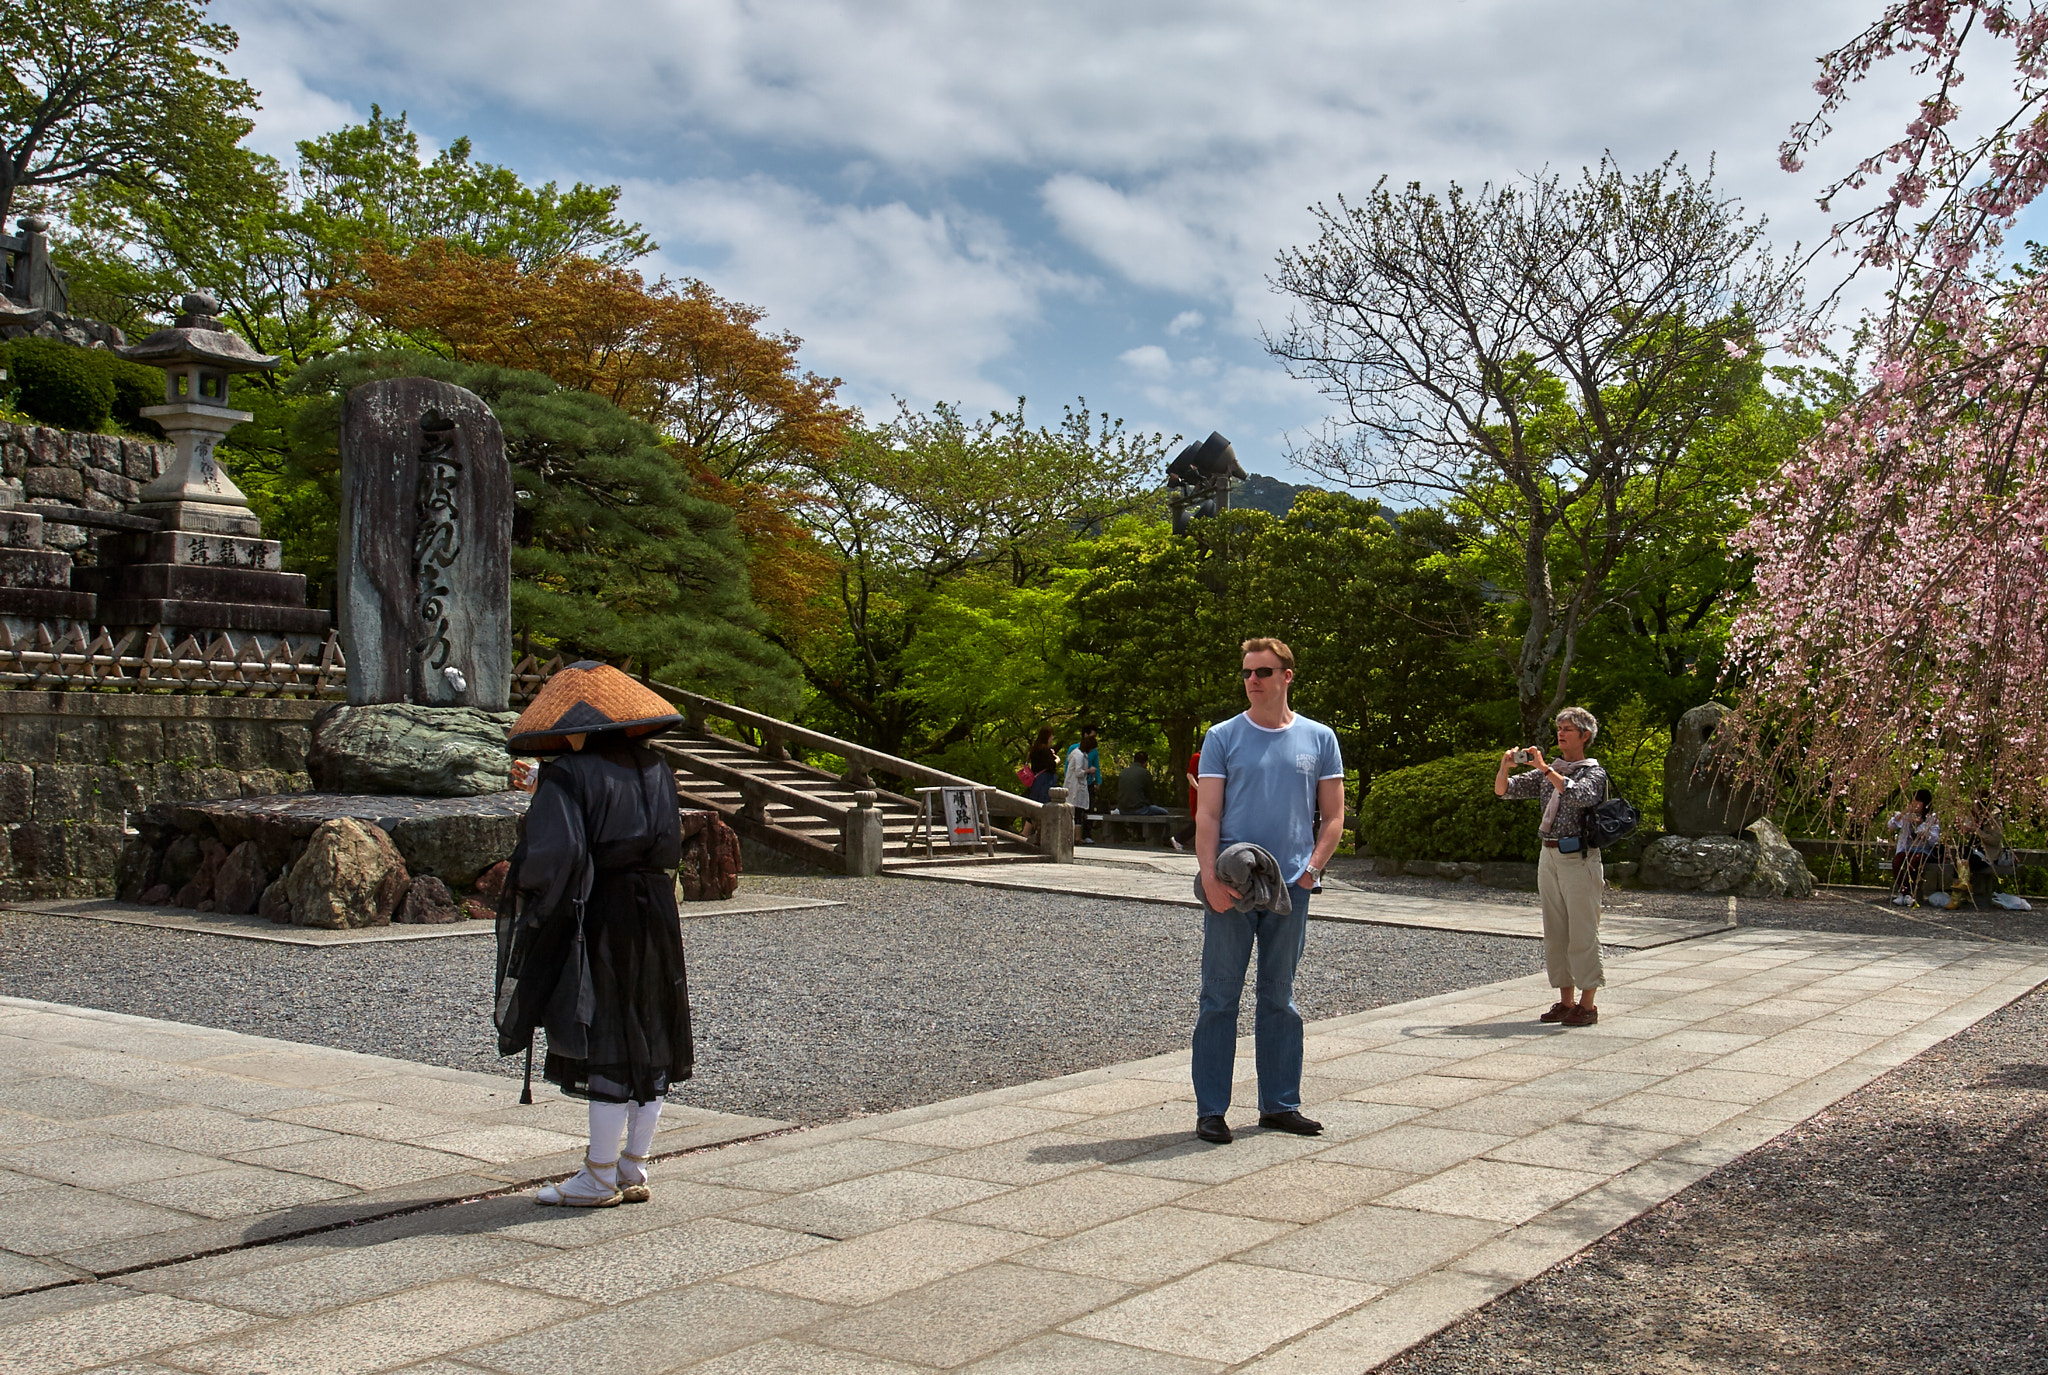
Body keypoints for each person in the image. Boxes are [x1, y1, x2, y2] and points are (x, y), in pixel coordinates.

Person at [494, 662, 693, 1208]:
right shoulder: (657, 768)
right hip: (654, 909)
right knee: (649, 1026)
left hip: (600, 908)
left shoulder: (567, 773)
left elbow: (553, 855)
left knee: (606, 1029)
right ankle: (633, 1166)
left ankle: (599, 1175)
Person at [1192, 637, 1345, 1145]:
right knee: (1219, 998)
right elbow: (1207, 813)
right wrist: (1210, 879)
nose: (1252, 681)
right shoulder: (1222, 735)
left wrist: (1312, 872)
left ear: (1287, 676)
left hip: (1292, 886)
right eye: (1246, 673)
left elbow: (1334, 815)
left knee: (1279, 997)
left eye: (1262, 672)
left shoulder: (1319, 737)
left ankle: (1280, 1104)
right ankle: (1212, 1109)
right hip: (1233, 883)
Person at [1495, 708, 1610, 1027]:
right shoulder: (1552, 770)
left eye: (1569, 729)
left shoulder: (1593, 772)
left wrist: (1545, 768)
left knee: (1583, 930)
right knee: (1555, 930)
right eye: (1559, 728)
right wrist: (1504, 767)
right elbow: (1504, 791)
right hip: (1549, 855)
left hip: (1579, 858)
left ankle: (1588, 1005)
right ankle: (1565, 1001)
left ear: (1585, 736)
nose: (1561, 733)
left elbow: (1579, 797)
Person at [1889, 789, 1938, 906]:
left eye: (1919, 802)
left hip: (1923, 850)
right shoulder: (1907, 816)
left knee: (1914, 861)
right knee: (1898, 861)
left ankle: (1909, 894)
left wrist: (1921, 824)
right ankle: (1903, 892)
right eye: (1914, 801)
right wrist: (1904, 812)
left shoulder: (1932, 818)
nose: (1916, 805)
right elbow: (1891, 825)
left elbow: (1934, 839)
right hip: (1907, 849)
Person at [1064, 728, 1098, 845]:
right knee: (1076, 811)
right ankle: (1076, 837)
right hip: (1075, 787)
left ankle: (1076, 836)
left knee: (1078, 812)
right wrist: (1089, 770)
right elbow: (1078, 772)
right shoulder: (1078, 755)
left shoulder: (1080, 754)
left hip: (1078, 787)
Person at [1117, 751, 1169, 815]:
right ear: (1145, 762)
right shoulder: (1145, 773)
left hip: (1123, 809)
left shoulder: (1123, 772)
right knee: (1165, 812)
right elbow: (1150, 793)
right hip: (1139, 809)